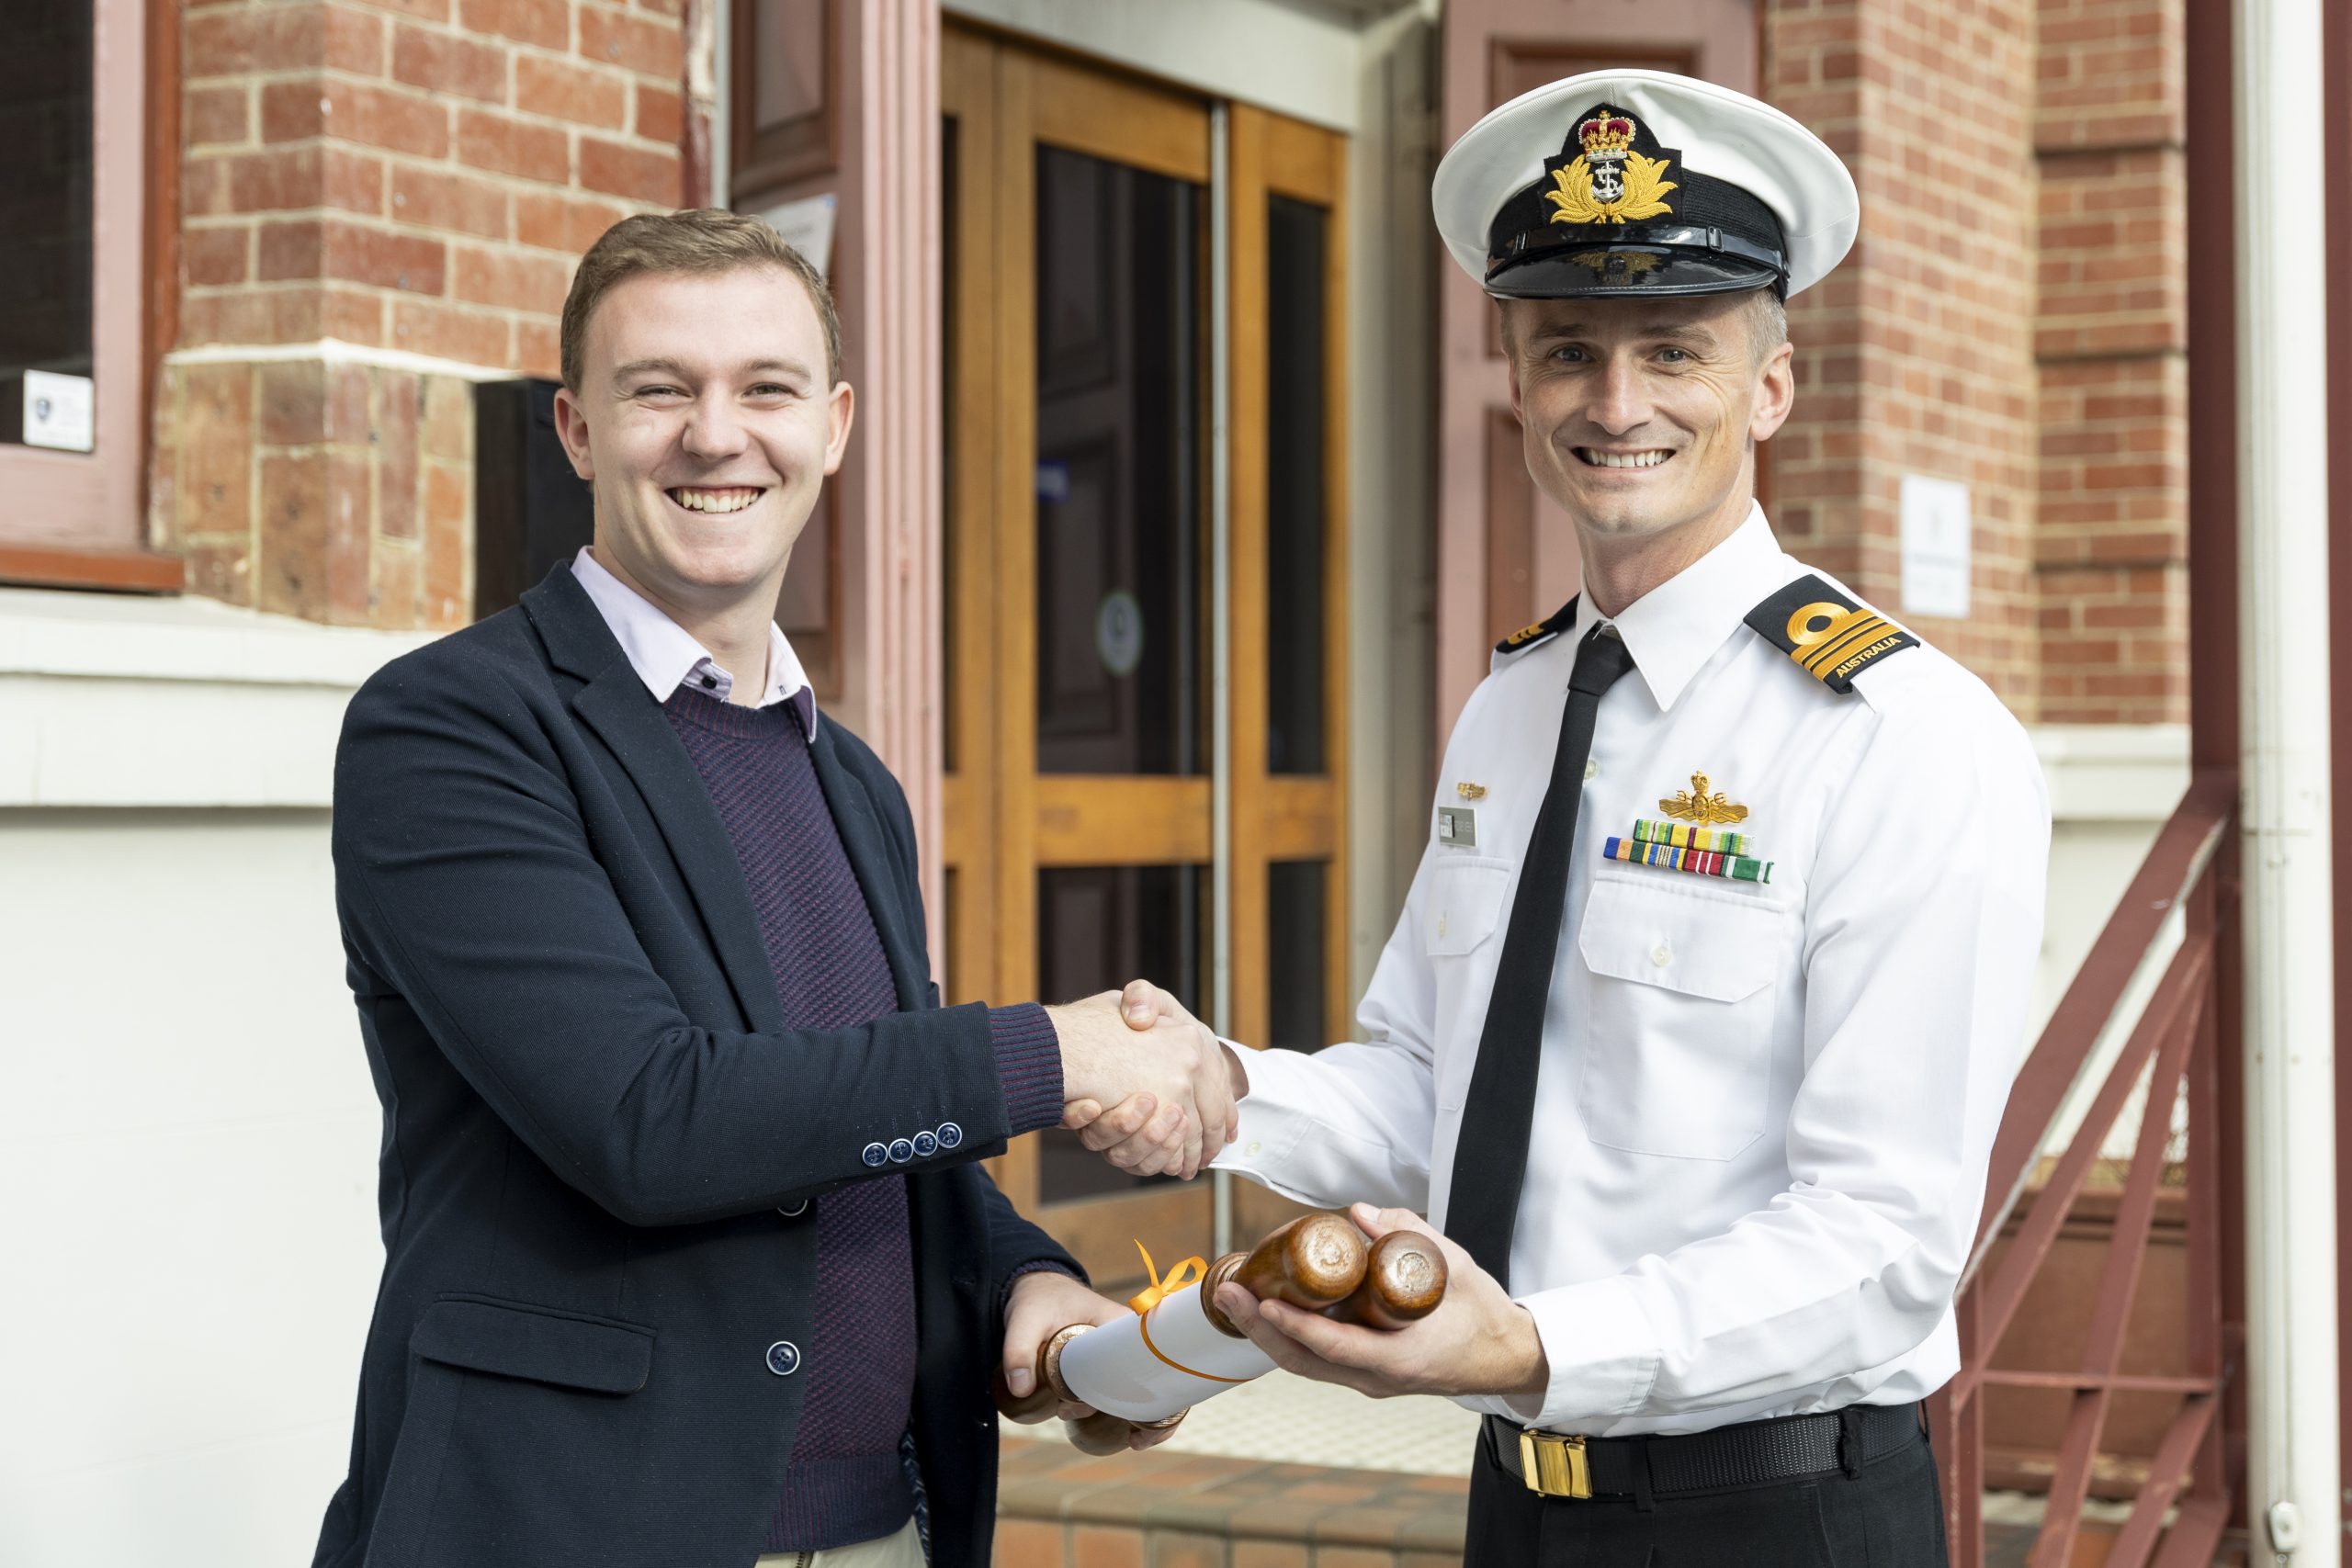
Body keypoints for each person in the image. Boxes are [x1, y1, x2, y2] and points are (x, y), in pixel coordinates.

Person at [1100, 71, 2048, 1566]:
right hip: (1522, 1500)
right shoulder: (1515, 708)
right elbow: (1442, 1093)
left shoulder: (1906, 738)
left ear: (1771, 388)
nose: (1618, 406)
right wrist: (1223, 1084)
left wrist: (1531, 1347)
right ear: (1517, 379)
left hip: (1777, 1512)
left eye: (1675, 350)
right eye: (1570, 354)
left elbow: (1885, 1241)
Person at [310, 209, 1231, 1568]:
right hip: (574, 1528)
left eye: (767, 390)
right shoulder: (453, 726)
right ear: (576, 429)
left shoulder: (852, 781)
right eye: (660, 390)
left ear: (836, 426)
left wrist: (1023, 1283)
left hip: (880, 1536)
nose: (715, 434)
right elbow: (648, 1117)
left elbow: (858, 1127)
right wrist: (1052, 1049)